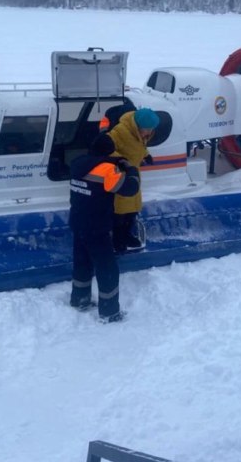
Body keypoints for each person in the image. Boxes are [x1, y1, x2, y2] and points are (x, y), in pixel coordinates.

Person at [69, 133, 140, 322]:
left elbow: (95, 166)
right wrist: (131, 169)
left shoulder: (78, 163)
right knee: (106, 267)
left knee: (82, 262)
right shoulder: (107, 170)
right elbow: (130, 188)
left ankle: (80, 299)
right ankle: (109, 311)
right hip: (97, 226)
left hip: (77, 222)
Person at [107, 107, 159, 252]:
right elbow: (105, 148)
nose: (149, 133)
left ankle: (128, 234)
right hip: (121, 175)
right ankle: (118, 238)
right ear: (138, 126)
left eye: (151, 129)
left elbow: (138, 147)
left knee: (133, 208)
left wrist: (146, 155)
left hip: (133, 174)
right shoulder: (119, 132)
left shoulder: (140, 134)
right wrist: (121, 160)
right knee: (120, 210)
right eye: (147, 129)